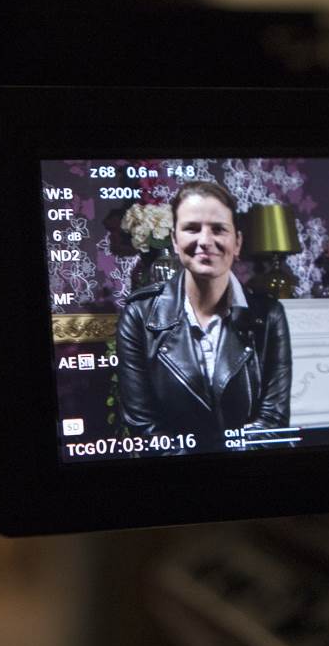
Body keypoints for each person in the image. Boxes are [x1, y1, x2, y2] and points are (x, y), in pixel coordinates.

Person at [116, 180, 291, 446]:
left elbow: (272, 421)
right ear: (174, 240)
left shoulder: (270, 316)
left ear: (237, 242)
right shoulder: (139, 315)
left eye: (218, 229)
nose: (205, 241)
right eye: (192, 228)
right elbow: (145, 427)